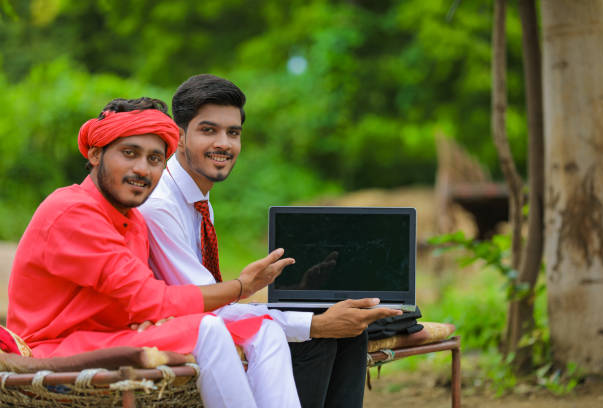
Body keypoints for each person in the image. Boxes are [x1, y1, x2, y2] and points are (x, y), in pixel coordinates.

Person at [7, 97, 305, 407]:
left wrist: (150, 318)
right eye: (129, 153)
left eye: (155, 159)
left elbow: (142, 306)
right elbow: (149, 299)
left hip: (111, 338)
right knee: (207, 329)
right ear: (96, 154)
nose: (142, 169)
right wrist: (241, 287)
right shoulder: (71, 210)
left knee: (264, 331)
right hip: (53, 350)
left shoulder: (133, 220)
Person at [139, 74, 402, 407]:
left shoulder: (196, 198)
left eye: (233, 133)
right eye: (209, 130)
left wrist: (302, 302)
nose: (224, 144)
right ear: (177, 137)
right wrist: (314, 324)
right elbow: (204, 307)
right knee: (316, 333)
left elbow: (216, 302)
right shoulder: (161, 205)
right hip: (174, 328)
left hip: (203, 318)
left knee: (345, 325)